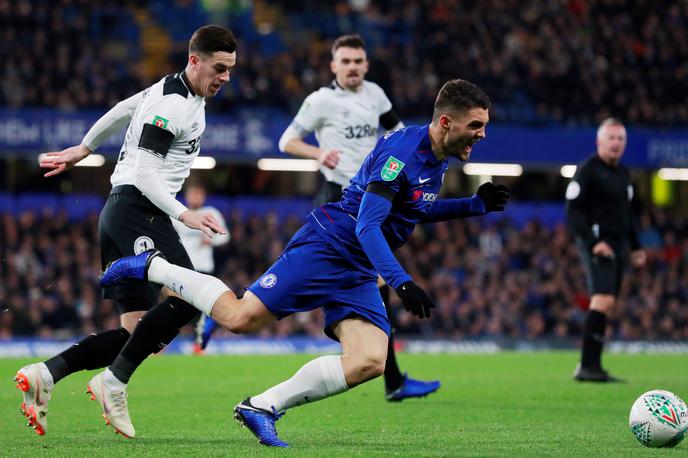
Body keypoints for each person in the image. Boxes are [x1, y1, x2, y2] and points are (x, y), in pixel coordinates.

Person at [99, 79, 510, 447]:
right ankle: (152, 265)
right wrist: (400, 282)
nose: (483, 134)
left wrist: (473, 205)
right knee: (242, 319)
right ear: (444, 123)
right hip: (331, 245)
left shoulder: (436, 160)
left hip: (358, 267)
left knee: (370, 360)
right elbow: (368, 226)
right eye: (475, 125)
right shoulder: (402, 153)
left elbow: (413, 210)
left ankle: (261, 407)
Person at [14, 25, 236, 437]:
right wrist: (183, 213)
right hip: (141, 211)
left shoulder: (170, 90)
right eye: (219, 68)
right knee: (188, 299)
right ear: (195, 60)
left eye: (230, 70)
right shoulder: (174, 106)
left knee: (136, 333)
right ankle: (112, 384)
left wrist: (85, 147)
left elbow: (121, 108)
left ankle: (47, 373)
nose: (225, 78)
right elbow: (148, 173)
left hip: (120, 212)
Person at [276, 33, 437, 401]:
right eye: (345, 61)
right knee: (372, 282)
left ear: (366, 64)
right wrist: (317, 154)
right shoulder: (320, 101)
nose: (352, 67)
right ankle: (388, 375)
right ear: (334, 65)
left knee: (377, 284)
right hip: (339, 197)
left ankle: (390, 375)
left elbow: (400, 133)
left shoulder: (375, 95)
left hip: (373, 197)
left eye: (357, 61)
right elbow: (286, 141)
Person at [566, 117, 647, 382]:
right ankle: (587, 367)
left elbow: (627, 215)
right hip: (597, 244)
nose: (616, 143)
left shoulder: (623, 174)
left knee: (608, 304)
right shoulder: (588, 170)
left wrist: (635, 246)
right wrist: (593, 242)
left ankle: (593, 366)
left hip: (618, 244)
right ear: (600, 141)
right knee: (602, 300)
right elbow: (574, 211)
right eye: (611, 138)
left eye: (620, 139)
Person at [169, 181, 230, 354]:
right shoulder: (178, 212)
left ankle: (199, 344)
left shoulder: (210, 213)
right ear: (187, 195)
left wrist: (211, 240)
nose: (195, 197)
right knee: (176, 305)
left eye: (199, 193)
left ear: (203, 195)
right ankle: (162, 343)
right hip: (183, 267)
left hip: (203, 267)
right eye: (192, 193)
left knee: (202, 308)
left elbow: (224, 237)